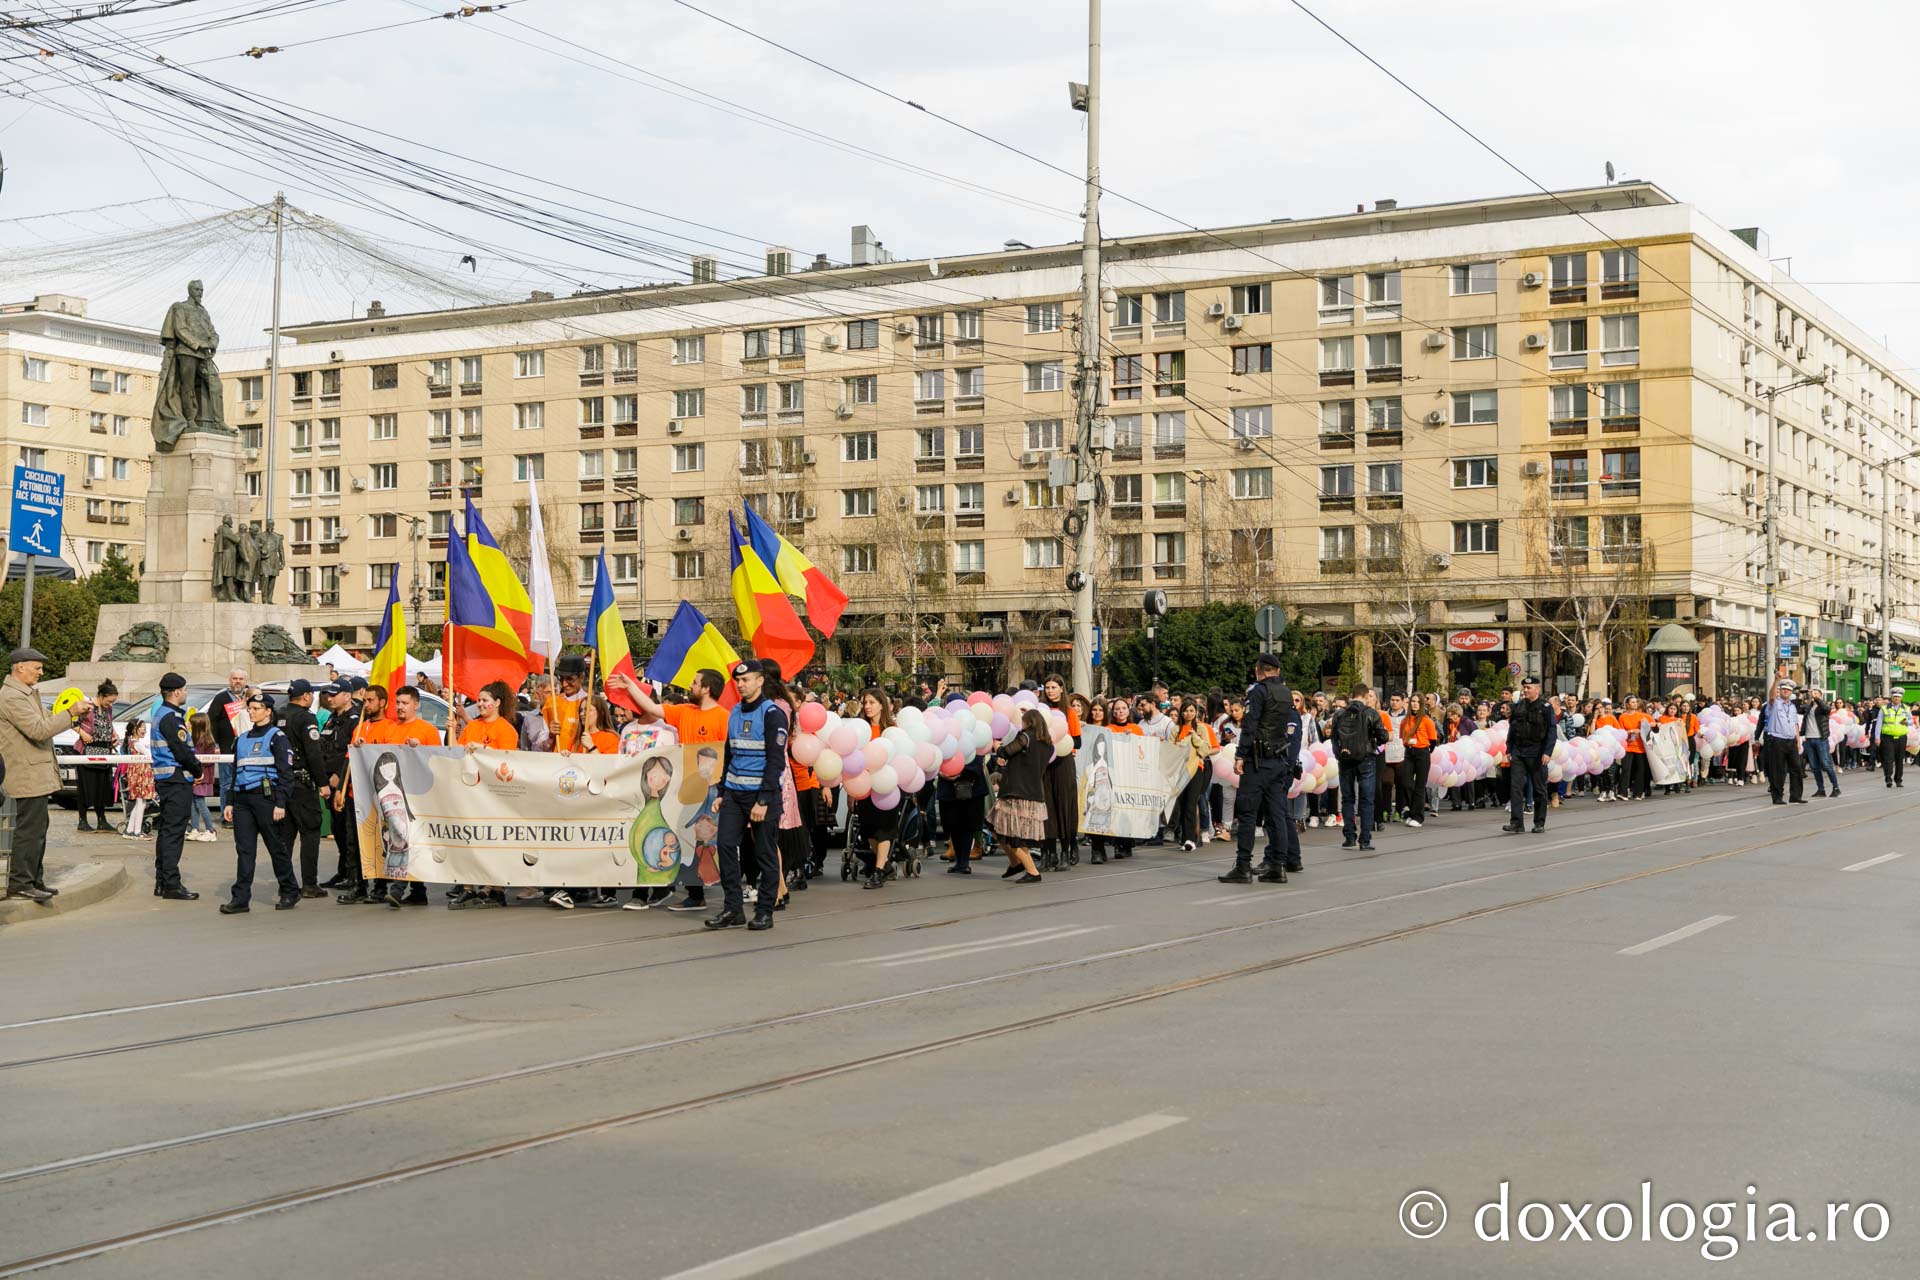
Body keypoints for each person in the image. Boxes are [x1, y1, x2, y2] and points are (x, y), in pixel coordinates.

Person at [614, 667, 729, 912]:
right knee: (686, 838)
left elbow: (728, 754)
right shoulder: (683, 711)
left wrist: (723, 791)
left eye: (695, 682)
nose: (691, 685)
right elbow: (652, 707)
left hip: (710, 789)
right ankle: (695, 894)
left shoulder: (723, 717)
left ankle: (729, 895)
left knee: (710, 841)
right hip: (685, 787)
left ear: (706, 688)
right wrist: (630, 685)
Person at [0, 647, 93, 903]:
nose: (41, 672)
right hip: (25, 774)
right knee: (30, 831)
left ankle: (33, 879)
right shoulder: (12, 697)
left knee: (38, 829)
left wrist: (70, 717)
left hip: (34, 774)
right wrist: (71, 712)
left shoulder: (25, 694)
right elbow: (39, 730)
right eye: (37, 667)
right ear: (20, 667)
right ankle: (21, 883)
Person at [704, 660, 788, 931]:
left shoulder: (772, 713)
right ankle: (733, 909)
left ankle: (765, 911)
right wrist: (722, 792)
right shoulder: (735, 711)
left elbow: (776, 762)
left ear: (760, 681)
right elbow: (731, 754)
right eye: (738, 681)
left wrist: (763, 800)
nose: (741, 684)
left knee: (765, 854)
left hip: (762, 796)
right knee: (726, 847)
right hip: (734, 794)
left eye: (747, 680)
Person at [1218, 653, 1300, 885]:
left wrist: (1240, 755)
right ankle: (1278, 866)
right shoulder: (1286, 693)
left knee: (1247, 813)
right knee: (1276, 816)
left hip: (1257, 761)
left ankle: (1243, 866)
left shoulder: (1258, 692)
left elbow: (1250, 725)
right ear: (1278, 671)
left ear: (1258, 670)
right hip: (1278, 760)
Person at [219, 692, 299, 914]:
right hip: (243, 800)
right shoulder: (242, 739)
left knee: (276, 847)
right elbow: (235, 773)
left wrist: (281, 803)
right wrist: (229, 803)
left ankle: (290, 890)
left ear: (268, 711)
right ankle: (240, 899)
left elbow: (286, 773)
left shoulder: (277, 737)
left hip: (267, 799)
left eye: (257, 708)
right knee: (245, 850)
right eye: (250, 708)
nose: (252, 712)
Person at [146, 671, 206, 900]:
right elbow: (181, 750)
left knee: (166, 832)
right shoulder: (171, 717)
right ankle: (171, 883)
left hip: (167, 778)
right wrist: (197, 770)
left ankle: (162, 881)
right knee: (174, 833)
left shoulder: (161, 714)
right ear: (177, 692)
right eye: (185, 690)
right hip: (176, 779)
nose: (186, 693)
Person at [274, 678, 329, 897]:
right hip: (302, 784)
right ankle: (309, 884)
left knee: (286, 837)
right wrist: (323, 783)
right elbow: (313, 753)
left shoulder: (278, 714)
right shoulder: (306, 718)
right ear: (306, 696)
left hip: (282, 783)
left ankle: (285, 883)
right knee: (310, 832)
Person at [988, 707, 1051, 884]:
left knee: (1011, 834)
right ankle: (1016, 863)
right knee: (996, 827)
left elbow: (1006, 752)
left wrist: (997, 746)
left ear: (1028, 722)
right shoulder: (1048, 744)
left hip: (1016, 792)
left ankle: (1032, 871)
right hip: (1033, 792)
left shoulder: (1025, 737)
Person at [317, 679, 366, 898]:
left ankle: (353, 874)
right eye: (328, 694)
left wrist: (339, 774)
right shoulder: (332, 719)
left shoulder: (354, 719)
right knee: (338, 829)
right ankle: (343, 870)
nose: (330, 698)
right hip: (329, 779)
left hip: (344, 781)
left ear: (347, 696)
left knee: (347, 831)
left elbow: (350, 751)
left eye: (335, 694)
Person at [1329, 684, 1387, 851]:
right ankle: (1365, 839)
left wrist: (1339, 754)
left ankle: (1349, 836)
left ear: (1351, 695)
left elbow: (1333, 737)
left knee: (1347, 798)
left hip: (1345, 759)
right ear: (1365, 695)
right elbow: (1383, 736)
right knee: (1366, 799)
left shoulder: (1339, 714)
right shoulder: (1371, 713)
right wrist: (1373, 744)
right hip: (1366, 759)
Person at [852, 686, 900, 889]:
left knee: (884, 831)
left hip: (887, 787)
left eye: (872, 702)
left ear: (882, 705)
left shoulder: (892, 730)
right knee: (868, 831)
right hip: (864, 788)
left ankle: (878, 871)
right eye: (865, 703)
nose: (868, 706)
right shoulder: (859, 729)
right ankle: (886, 865)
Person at [1502, 675, 1556, 834]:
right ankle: (1516, 823)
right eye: (1524, 688)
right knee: (1516, 788)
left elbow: (1551, 731)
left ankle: (1539, 822)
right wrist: (1509, 749)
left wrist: (1547, 752)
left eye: (1529, 688)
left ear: (1537, 689)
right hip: (1519, 751)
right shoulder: (1518, 706)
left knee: (1539, 789)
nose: (1525, 690)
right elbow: (1512, 729)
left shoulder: (1545, 707)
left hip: (1537, 752)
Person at [73, 679, 119, 834]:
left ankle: (102, 820)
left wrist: (113, 734)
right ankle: (82, 820)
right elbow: (72, 721)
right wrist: (83, 734)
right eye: (108, 701)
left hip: (104, 751)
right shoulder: (87, 705)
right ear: (101, 695)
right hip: (87, 751)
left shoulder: (108, 709)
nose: (110, 704)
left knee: (102, 787)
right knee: (86, 787)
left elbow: (108, 724)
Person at [208, 668, 250, 822]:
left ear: (245, 681)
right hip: (226, 748)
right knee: (226, 783)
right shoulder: (221, 698)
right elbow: (211, 721)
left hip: (247, 749)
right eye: (234, 678)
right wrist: (216, 744)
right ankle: (227, 816)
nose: (237, 681)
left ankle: (243, 815)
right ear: (230, 680)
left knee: (245, 781)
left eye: (240, 679)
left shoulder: (251, 697)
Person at [1762, 680, 1807, 805]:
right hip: (1777, 739)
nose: (1785, 691)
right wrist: (1776, 680)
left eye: (1788, 690)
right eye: (1783, 689)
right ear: (1780, 691)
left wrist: (1798, 741)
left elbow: (1795, 724)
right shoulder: (1774, 703)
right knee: (1778, 770)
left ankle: (1795, 796)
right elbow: (1771, 695)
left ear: (1791, 692)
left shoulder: (1792, 707)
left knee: (1797, 768)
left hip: (1791, 740)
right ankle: (1777, 797)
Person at [1400, 697, 1438, 828]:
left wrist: (1423, 749)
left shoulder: (1427, 721)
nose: (1415, 704)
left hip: (1422, 752)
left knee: (1420, 786)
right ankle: (1412, 810)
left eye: (1417, 702)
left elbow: (1433, 741)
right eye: (1413, 701)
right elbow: (1402, 737)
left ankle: (1418, 816)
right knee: (1406, 783)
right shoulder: (1404, 721)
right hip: (1409, 752)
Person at [118, 720, 156, 838]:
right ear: (135, 729)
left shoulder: (132, 743)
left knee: (138, 803)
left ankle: (130, 829)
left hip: (136, 774)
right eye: (142, 727)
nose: (144, 730)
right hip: (141, 774)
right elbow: (149, 756)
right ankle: (137, 831)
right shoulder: (137, 744)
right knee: (141, 802)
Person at [187, 712, 220, 841]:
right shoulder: (195, 740)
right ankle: (195, 828)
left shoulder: (207, 741)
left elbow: (208, 760)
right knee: (193, 803)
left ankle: (210, 830)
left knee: (200, 802)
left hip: (203, 777)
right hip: (196, 775)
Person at [1802, 688, 1840, 798]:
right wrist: (1803, 697)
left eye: (1816, 694)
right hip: (1809, 738)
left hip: (1821, 738)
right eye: (1812, 693)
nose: (1813, 695)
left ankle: (1836, 787)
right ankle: (1820, 789)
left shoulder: (1823, 707)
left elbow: (1826, 709)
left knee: (1826, 764)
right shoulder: (1808, 707)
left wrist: (1817, 698)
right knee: (1814, 766)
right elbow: (1799, 709)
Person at [1870, 693, 1908, 789]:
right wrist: (1877, 737)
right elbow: (1879, 723)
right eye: (1895, 697)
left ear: (1901, 698)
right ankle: (1888, 779)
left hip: (1901, 736)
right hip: (1888, 737)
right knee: (1888, 759)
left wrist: (1907, 722)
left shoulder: (1906, 708)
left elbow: (1911, 721)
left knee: (1899, 759)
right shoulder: (1884, 708)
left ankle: (1898, 780)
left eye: (1898, 697)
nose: (1896, 698)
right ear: (1892, 698)